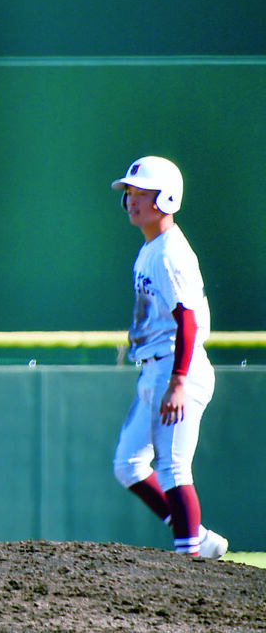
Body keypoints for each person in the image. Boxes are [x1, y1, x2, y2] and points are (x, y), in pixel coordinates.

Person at [109, 156, 227, 559]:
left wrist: (178, 382)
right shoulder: (151, 249)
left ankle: (189, 554)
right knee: (128, 464)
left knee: (174, 469)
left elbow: (188, 319)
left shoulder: (169, 253)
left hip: (179, 371)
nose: (132, 201)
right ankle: (200, 539)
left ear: (168, 198)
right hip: (156, 370)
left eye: (142, 194)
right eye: (130, 194)